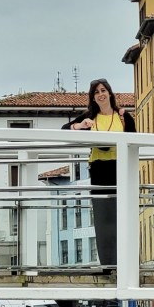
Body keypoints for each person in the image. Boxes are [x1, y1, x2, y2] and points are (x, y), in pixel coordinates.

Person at [63, 79, 136, 270]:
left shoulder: (123, 117)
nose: (100, 94)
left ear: (110, 93)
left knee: (123, 216)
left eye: (103, 90)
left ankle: (126, 263)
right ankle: (108, 265)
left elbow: (134, 142)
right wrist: (80, 126)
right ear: (93, 98)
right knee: (103, 219)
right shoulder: (90, 117)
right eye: (96, 92)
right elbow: (64, 130)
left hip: (120, 168)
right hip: (99, 169)